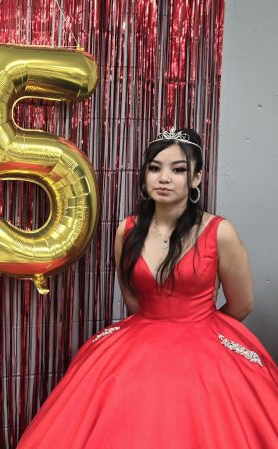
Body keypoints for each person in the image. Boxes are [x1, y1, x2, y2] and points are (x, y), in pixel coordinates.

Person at [17, 128, 278, 448]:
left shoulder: (219, 232)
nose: (164, 177)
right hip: (138, 342)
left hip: (204, 347)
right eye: (155, 168)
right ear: (144, 176)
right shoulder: (126, 230)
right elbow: (132, 298)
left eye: (178, 169)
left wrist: (201, 334)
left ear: (196, 178)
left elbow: (242, 304)